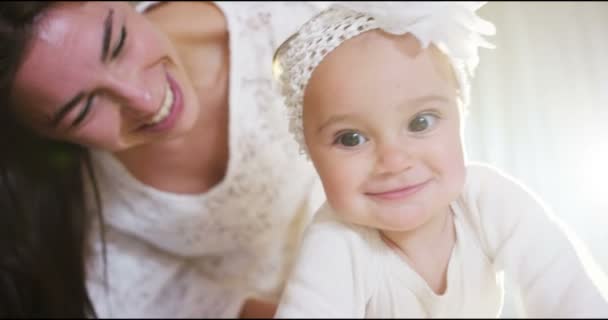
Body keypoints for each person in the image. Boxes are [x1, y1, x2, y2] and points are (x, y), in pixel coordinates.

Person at [271, 2, 608, 317]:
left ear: (461, 115)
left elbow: (568, 292)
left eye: (420, 123)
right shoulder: (337, 241)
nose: (394, 160)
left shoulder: (488, 200)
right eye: (351, 138)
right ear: (310, 154)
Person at [0, 1, 328, 318]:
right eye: (84, 110)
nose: (143, 99)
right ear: (50, 137)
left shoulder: (277, 13)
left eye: (118, 44)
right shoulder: (109, 225)